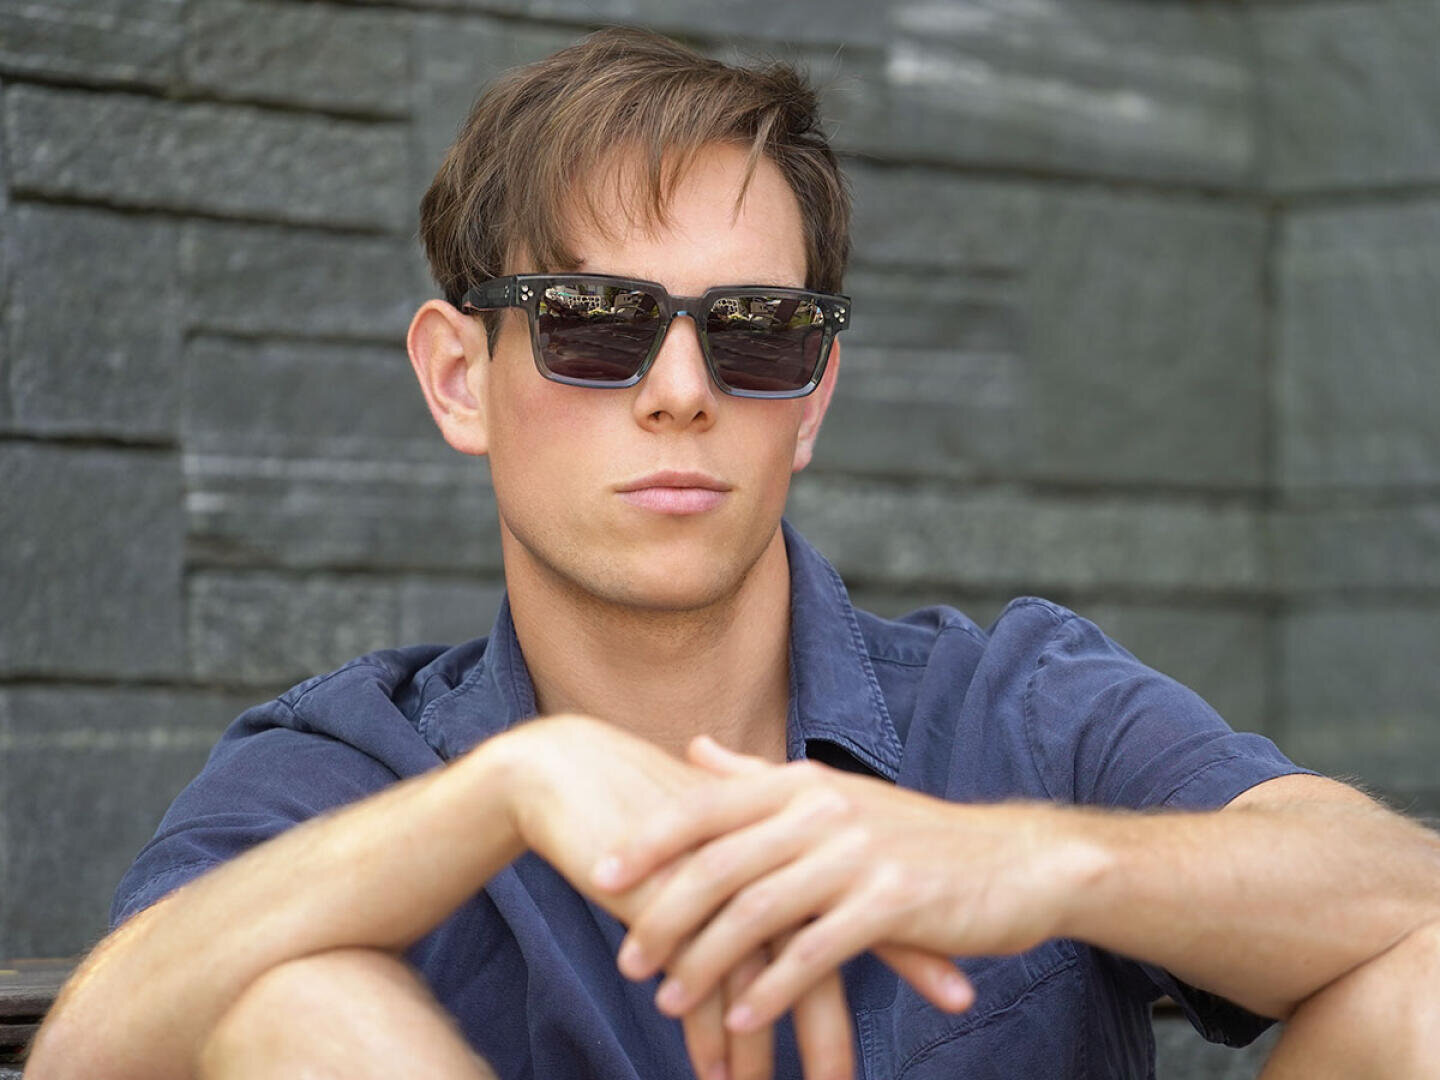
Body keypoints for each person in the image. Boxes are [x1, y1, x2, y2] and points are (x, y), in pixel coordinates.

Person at [26, 26, 1440, 1080]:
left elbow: (1405, 897)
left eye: (758, 329)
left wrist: (1036, 864)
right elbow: (90, 1047)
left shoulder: (1013, 703)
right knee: (293, 1011)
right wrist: (502, 794)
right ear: (460, 377)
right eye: (593, 318)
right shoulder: (361, 768)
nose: (682, 388)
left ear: (811, 395)